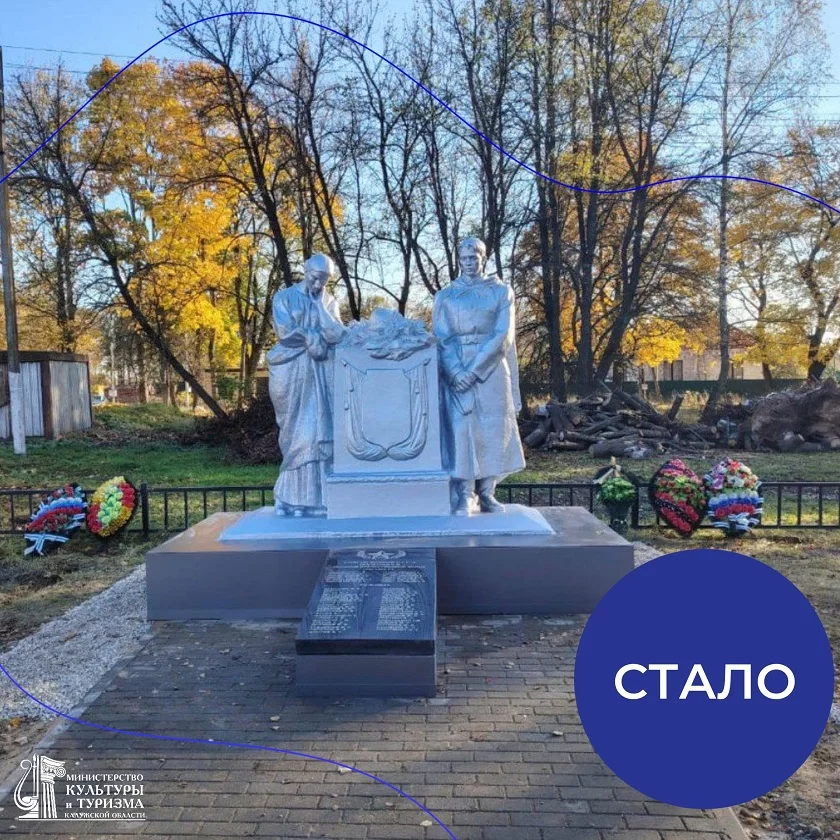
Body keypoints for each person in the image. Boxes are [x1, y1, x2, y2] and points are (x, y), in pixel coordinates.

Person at [432, 237, 526, 514]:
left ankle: (487, 492)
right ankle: (464, 492)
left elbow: (503, 334)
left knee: (493, 429)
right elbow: (441, 337)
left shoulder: (500, 291)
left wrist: (474, 371)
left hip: (491, 368)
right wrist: (455, 372)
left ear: (483, 258)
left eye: (474, 258)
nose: (469, 263)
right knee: (462, 429)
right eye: (464, 259)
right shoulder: (446, 296)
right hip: (457, 368)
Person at [267, 253, 346, 516]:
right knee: (295, 435)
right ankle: (290, 499)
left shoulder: (329, 301)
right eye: (315, 277)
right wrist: (312, 338)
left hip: (320, 375)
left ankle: (318, 500)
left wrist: (320, 306)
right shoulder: (284, 297)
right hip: (290, 371)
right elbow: (284, 332)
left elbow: (338, 334)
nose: (318, 283)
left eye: (324, 279)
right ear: (305, 270)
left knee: (317, 432)